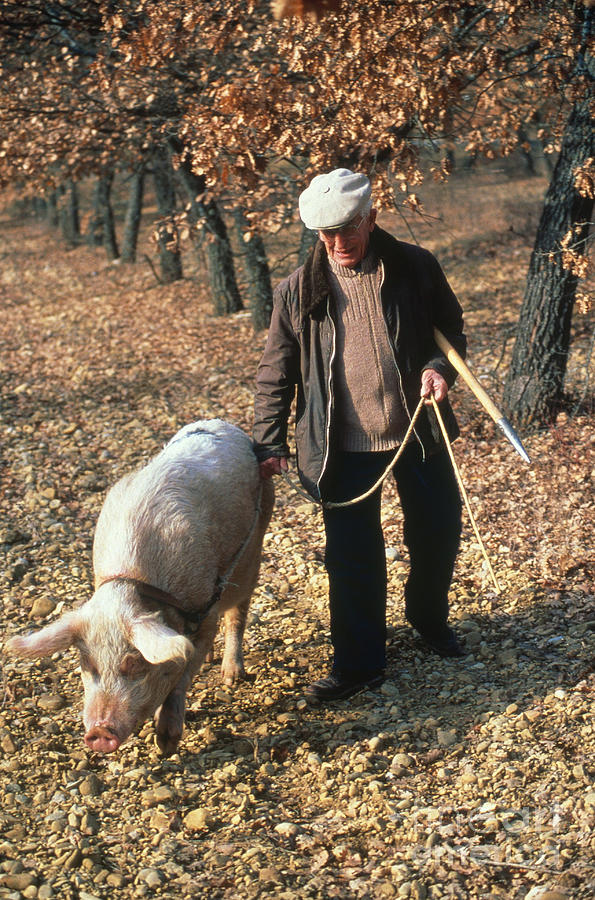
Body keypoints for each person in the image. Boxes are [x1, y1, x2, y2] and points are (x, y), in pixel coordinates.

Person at [253, 168, 467, 702]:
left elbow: (452, 329)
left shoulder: (416, 267)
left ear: (371, 217)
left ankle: (428, 619)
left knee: (437, 536)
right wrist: (268, 441)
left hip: (417, 431)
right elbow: (276, 370)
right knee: (353, 559)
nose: (338, 242)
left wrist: (440, 366)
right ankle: (359, 664)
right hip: (339, 448)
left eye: (348, 227)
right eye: (326, 233)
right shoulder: (298, 290)